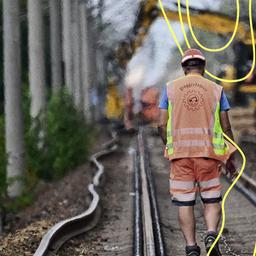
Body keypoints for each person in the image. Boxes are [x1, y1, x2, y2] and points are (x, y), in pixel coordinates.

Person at [158, 48, 237, 256]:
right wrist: (230, 156)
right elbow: (226, 126)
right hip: (208, 156)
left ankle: (192, 247)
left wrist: (170, 145)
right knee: (211, 200)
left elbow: (160, 124)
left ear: (184, 67)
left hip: (180, 157)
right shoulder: (216, 89)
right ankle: (211, 233)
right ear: (204, 67)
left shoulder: (170, 89)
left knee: (185, 202)